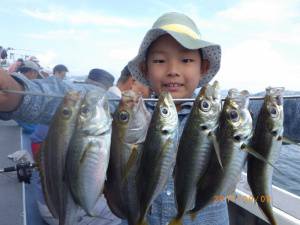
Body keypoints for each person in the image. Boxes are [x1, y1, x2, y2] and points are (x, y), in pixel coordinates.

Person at [0, 12, 299, 225]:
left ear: (202, 66)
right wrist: (17, 92)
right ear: (146, 68)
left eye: (185, 59)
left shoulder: (227, 114)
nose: (172, 69)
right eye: (159, 60)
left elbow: (282, 116)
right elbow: (66, 102)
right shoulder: (127, 114)